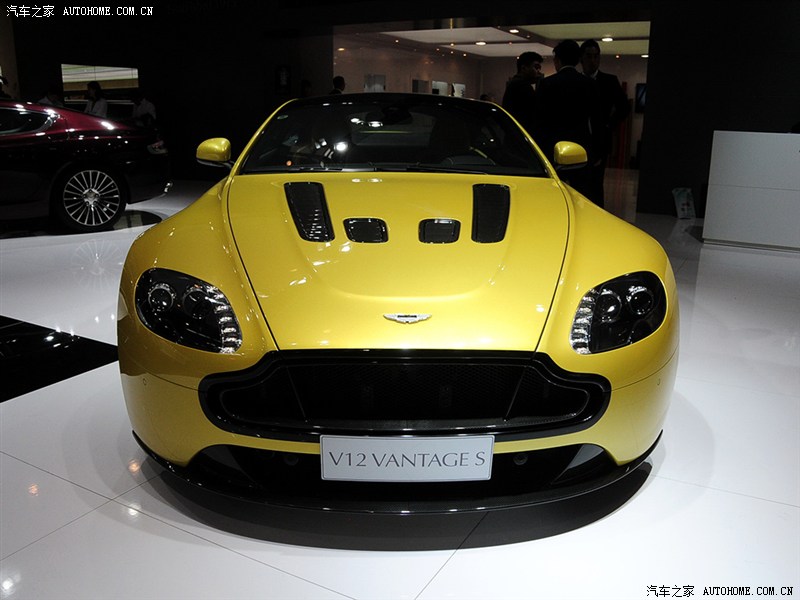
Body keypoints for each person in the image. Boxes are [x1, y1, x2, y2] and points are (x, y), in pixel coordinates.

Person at [537, 40, 603, 203]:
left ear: (558, 60)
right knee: (581, 194)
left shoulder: (546, 84)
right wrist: (597, 151)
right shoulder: (589, 84)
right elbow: (597, 120)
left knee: (554, 194)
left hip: (553, 147)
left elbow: (540, 121)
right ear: (578, 59)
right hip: (582, 146)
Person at [580, 39, 631, 206]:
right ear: (582, 58)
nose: (592, 60)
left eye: (596, 56)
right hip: (579, 139)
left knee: (596, 183)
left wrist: (609, 125)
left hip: (599, 140)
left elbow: (624, 107)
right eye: (589, 56)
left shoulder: (609, 81)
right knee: (579, 183)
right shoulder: (577, 81)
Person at [501, 51, 543, 135]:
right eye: (536, 67)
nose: (539, 72)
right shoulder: (522, 85)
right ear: (523, 68)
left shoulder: (514, 83)